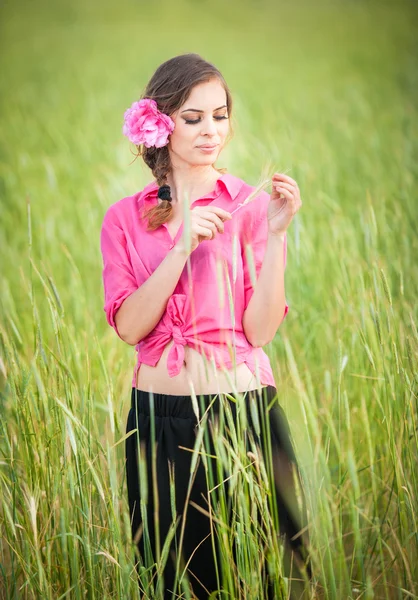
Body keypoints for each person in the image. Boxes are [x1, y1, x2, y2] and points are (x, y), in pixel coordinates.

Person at [100, 53, 312, 599]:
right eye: (193, 117)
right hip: (157, 423)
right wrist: (182, 245)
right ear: (160, 123)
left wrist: (279, 233)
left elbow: (260, 331)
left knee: (263, 578)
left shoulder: (247, 205)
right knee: (170, 580)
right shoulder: (125, 217)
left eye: (219, 115)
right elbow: (128, 326)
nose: (210, 130)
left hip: (241, 415)